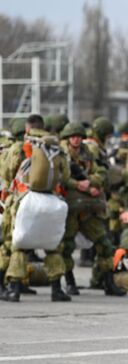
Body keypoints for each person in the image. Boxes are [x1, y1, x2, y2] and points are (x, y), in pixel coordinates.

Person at [0, 114, 70, 302]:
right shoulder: (55, 148)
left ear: (28, 128)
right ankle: (57, 290)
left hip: (26, 201)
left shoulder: (19, 147)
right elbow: (65, 175)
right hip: (51, 201)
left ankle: (14, 289)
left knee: (19, 246)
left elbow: (6, 172)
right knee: (52, 247)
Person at [59, 122, 126, 296]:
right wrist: (78, 184)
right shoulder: (61, 153)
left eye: (79, 136)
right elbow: (61, 178)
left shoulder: (87, 153)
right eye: (72, 137)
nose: (76, 139)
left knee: (104, 244)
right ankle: (70, 282)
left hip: (88, 207)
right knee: (66, 246)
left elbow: (101, 173)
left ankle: (108, 282)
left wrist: (90, 183)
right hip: (71, 207)